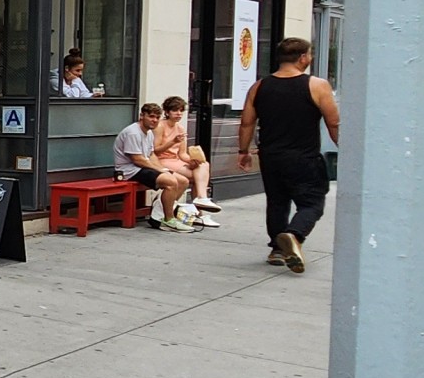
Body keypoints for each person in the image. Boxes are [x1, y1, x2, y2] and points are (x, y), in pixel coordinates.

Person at [237, 37, 341, 273]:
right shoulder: (316, 85)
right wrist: (343, 146)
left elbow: (246, 123)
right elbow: (333, 122)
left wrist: (243, 151)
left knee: (277, 202)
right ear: (303, 57)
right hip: (304, 157)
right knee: (312, 202)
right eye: (310, 55)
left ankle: (277, 249)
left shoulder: (260, 86)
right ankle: (293, 235)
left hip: (271, 157)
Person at [116, 103, 196, 233]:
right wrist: (160, 170)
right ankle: (169, 220)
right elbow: (138, 160)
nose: (154, 120)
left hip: (143, 167)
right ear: (142, 116)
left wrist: (162, 169)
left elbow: (151, 154)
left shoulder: (149, 133)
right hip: (129, 170)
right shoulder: (133, 133)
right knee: (170, 182)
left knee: (183, 181)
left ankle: (158, 214)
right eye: (151, 116)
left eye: (157, 117)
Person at [157, 96, 223, 227]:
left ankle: (201, 201)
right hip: (162, 160)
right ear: (167, 112)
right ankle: (200, 208)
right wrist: (172, 142)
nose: (179, 114)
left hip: (175, 160)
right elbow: (156, 151)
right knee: (198, 179)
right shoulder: (160, 126)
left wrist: (192, 161)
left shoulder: (180, 128)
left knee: (203, 165)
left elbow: (182, 154)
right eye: (175, 110)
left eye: (181, 111)